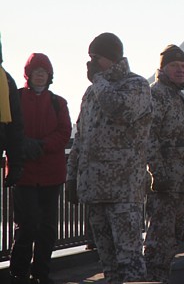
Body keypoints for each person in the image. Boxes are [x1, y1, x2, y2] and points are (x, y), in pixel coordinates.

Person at [66, 32, 153, 284]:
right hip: (95, 189)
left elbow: (120, 110)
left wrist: (99, 81)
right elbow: (81, 138)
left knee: (130, 259)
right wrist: (73, 177)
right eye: (90, 57)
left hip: (123, 190)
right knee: (108, 262)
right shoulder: (91, 92)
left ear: (113, 58)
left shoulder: (135, 85)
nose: (91, 63)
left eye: (96, 57)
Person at [9, 53, 72, 284]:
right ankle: (19, 274)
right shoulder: (14, 98)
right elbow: (7, 128)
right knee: (26, 226)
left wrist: (42, 146)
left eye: (43, 71)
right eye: (36, 71)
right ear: (28, 74)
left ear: (49, 75)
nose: (40, 75)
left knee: (46, 228)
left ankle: (41, 274)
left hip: (50, 175)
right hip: (23, 174)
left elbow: (64, 133)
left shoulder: (59, 103)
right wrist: (22, 145)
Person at [144, 45, 184, 282]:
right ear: (163, 68)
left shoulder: (179, 96)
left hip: (182, 183)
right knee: (159, 241)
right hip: (165, 184)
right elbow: (149, 137)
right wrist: (158, 173)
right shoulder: (156, 94)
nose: (180, 70)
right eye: (175, 66)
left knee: (173, 240)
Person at [0, 34, 24, 191]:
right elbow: (15, 128)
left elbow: (15, 127)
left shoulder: (6, 81)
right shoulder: (6, 80)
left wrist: (14, 164)